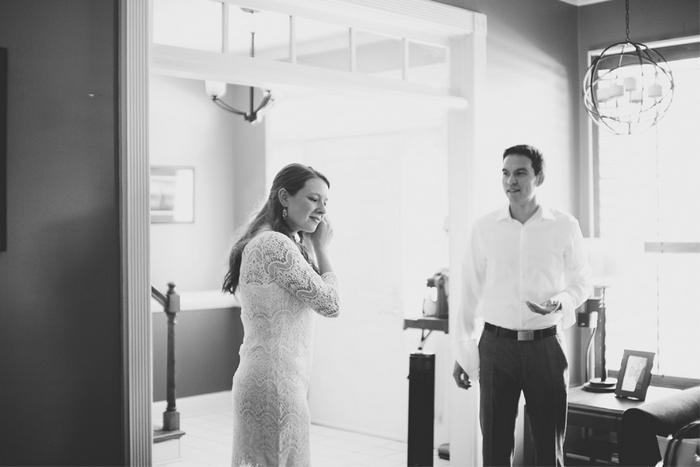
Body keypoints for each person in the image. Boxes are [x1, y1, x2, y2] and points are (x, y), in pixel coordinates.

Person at [451, 145, 592, 466]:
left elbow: (583, 281)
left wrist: (561, 301)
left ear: (539, 177)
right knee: (495, 448)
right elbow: (469, 291)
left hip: (546, 349)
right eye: (505, 173)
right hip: (495, 347)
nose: (510, 181)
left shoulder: (564, 225)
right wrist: (463, 352)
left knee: (548, 446)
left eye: (520, 173)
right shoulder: (484, 227)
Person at [222, 163, 340, 467]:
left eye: (326, 202)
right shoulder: (275, 244)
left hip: (269, 378)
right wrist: (321, 248)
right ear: (285, 197)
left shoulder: (270, 240)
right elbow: (330, 304)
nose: (322, 210)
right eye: (313, 199)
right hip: (275, 386)